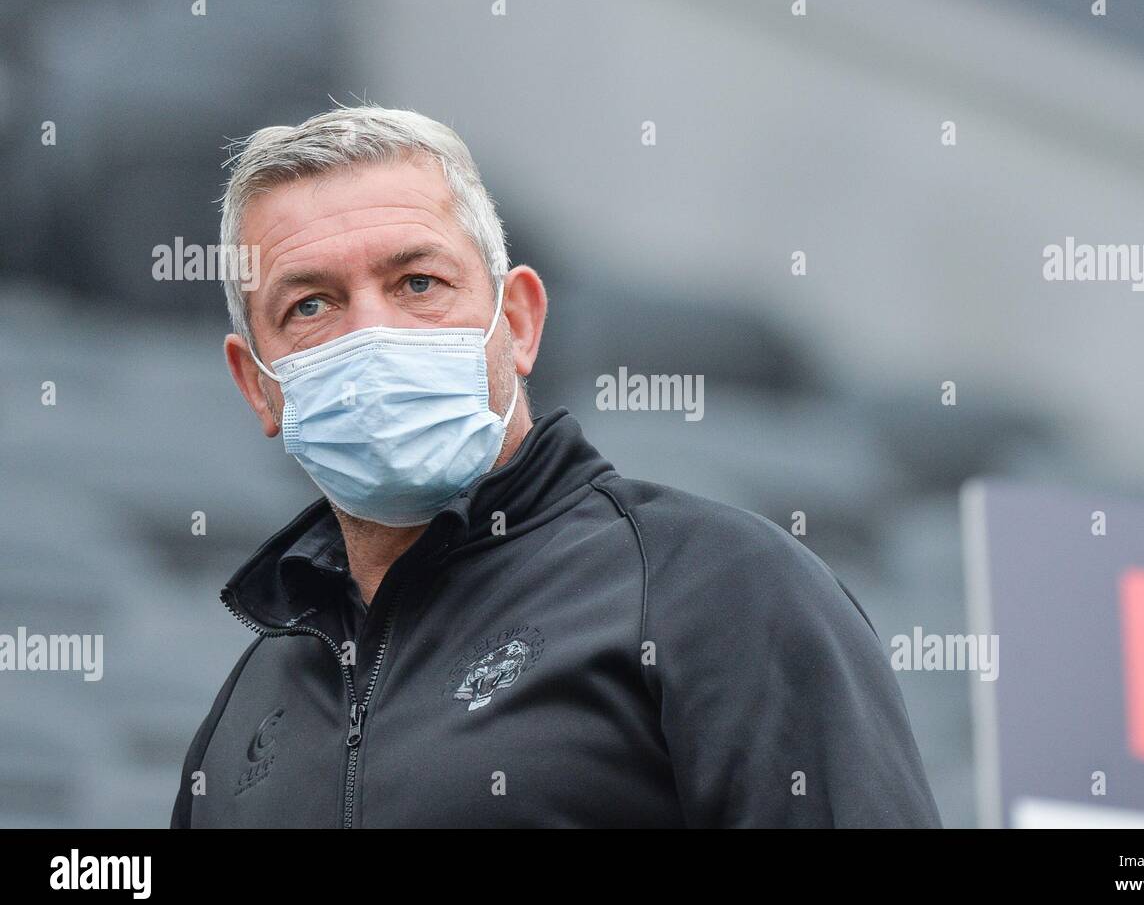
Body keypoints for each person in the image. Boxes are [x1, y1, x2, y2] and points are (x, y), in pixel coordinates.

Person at [170, 105, 942, 828]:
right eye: (310, 305)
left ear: (517, 322)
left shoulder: (720, 591)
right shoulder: (246, 710)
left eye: (418, 283)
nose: (372, 334)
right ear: (258, 385)